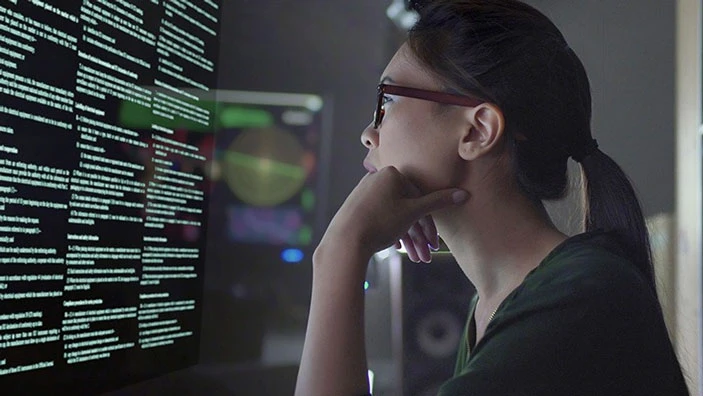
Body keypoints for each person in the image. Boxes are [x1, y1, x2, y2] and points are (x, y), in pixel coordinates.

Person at [294, 0, 690, 395]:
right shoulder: (497, 303)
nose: (368, 132)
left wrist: (340, 251)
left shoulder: (580, 297)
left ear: (478, 130)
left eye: (388, 101)